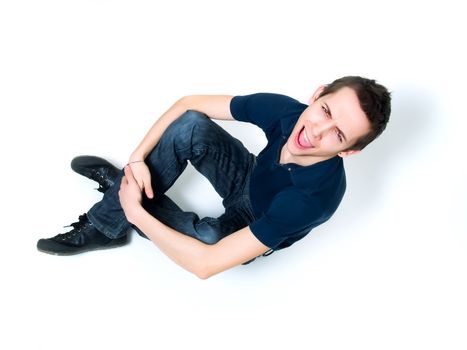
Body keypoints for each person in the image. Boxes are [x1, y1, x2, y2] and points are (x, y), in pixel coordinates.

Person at [37, 76, 391, 279]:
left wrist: (136, 212)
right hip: (248, 175)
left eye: (338, 135)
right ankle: (113, 212)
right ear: (317, 95)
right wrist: (137, 158)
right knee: (191, 126)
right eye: (325, 110)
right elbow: (189, 103)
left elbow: (206, 265)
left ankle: (117, 206)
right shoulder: (288, 111)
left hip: (259, 221)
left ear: (348, 151)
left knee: (206, 240)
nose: (316, 131)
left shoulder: (313, 198)